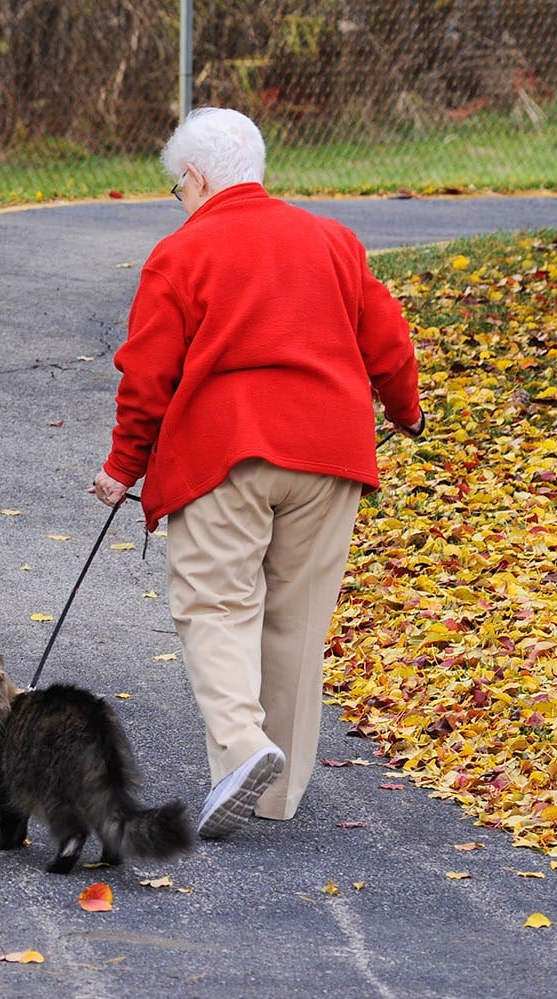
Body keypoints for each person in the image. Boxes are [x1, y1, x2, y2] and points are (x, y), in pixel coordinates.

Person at [90, 107, 425, 840]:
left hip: (226, 453)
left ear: (199, 178)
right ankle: (275, 795)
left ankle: (244, 749)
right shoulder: (334, 240)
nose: (179, 198)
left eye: (177, 185)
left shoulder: (181, 255)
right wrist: (407, 412)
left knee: (215, 603)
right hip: (331, 455)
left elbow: (147, 376)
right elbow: (387, 338)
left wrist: (123, 468)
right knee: (297, 620)